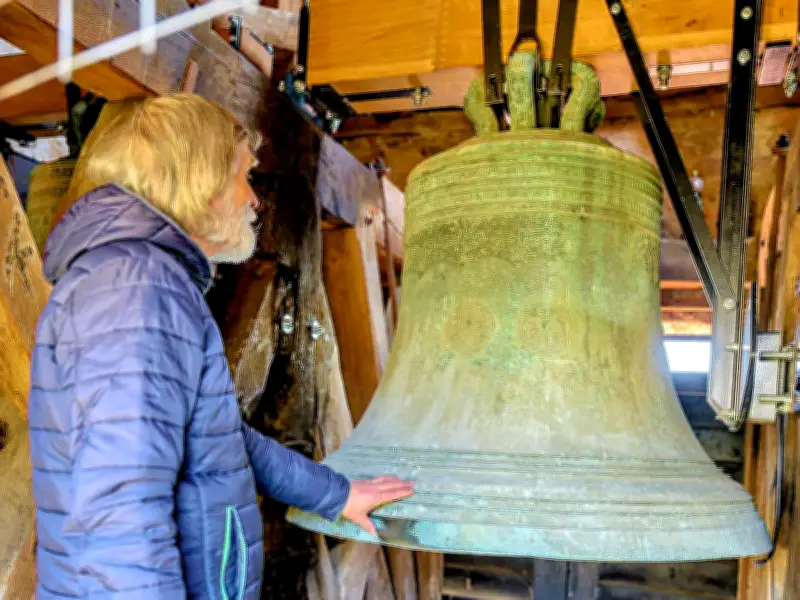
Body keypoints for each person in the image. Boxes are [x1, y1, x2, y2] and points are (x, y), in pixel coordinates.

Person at [28, 94, 413, 600]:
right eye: (244, 176)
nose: (254, 200)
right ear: (199, 179)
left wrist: (335, 494)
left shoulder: (144, 283)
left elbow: (223, 436)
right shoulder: (136, 291)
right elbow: (118, 516)